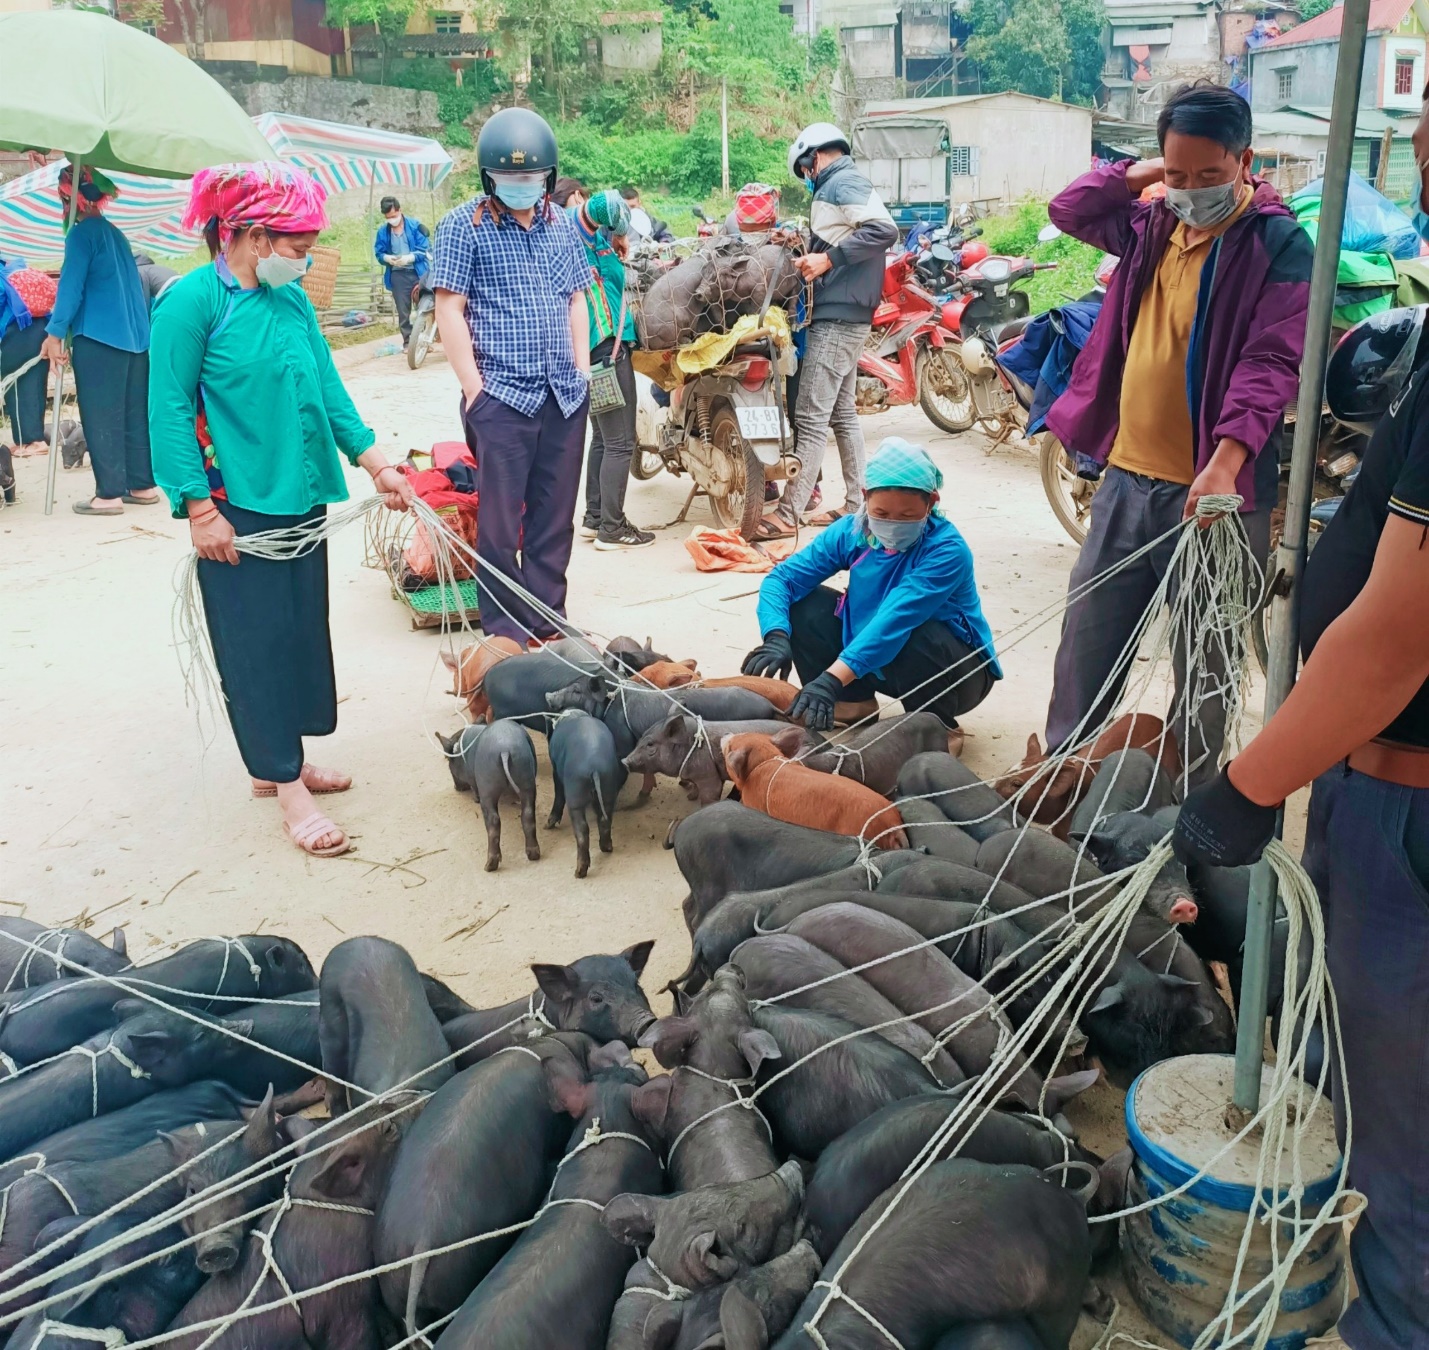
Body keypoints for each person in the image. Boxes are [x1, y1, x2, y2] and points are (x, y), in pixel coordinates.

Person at [1172, 301, 1429, 1350]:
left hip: (1402, 801)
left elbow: (1401, 633)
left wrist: (1247, 784)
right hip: (1373, 780)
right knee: (1341, 1067)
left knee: (1397, 1124)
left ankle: (1395, 1324)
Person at [1042, 81, 1311, 781]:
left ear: (1244, 160)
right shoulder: (1151, 224)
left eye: (1209, 176)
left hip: (1214, 498)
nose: (1192, 190)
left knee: (1206, 669)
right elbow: (1068, 209)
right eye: (1178, 174)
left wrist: (1224, 462)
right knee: (1085, 652)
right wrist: (1143, 174)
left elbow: (1271, 361)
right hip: (1126, 480)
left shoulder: (1277, 244)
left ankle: (1187, 814)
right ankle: (1060, 788)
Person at [150, 162, 414, 859]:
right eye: (298, 246)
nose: (306, 259)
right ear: (254, 237)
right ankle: (282, 784)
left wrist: (376, 462)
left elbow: (326, 386)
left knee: (298, 631)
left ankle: (285, 762)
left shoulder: (291, 302)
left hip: (298, 492)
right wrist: (199, 509)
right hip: (236, 505)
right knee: (254, 645)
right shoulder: (193, 304)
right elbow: (169, 409)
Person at [432, 107, 593, 647]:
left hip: (563, 397)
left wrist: (580, 370)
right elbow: (449, 309)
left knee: (554, 518)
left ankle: (549, 624)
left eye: (531, 178)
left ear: (547, 177)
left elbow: (576, 298)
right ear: (489, 178)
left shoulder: (561, 226)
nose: (522, 187)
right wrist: (476, 392)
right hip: (502, 398)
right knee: (500, 526)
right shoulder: (463, 226)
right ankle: (505, 633)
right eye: (510, 178)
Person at [743, 438, 999, 748]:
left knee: (917, 631)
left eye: (907, 517)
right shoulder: (852, 531)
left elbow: (895, 618)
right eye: (881, 513)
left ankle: (936, 727)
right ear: (864, 497)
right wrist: (776, 636)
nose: (892, 525)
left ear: (931, 503)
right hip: (875, 662)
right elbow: (782, 579)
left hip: (955, 674)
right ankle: (852, 703)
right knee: (803, 606)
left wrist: (830, 679)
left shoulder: (947, 550)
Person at [757, 123, 898, 540]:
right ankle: (857, 503)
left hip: (837, 317)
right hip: (850, 314)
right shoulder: (839, 186)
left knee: (811, 417)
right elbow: (843, 234)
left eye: (804, 171)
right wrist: (808, 245)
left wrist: (828, 260)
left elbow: (882, 230)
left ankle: (788, 513)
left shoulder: (841, 182)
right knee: (842, 415)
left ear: (813, 158)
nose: (806, 179)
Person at [40, 166, 158, 516]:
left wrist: (54, 332)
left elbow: (71, 287)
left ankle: (108, 495)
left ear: (67, 198)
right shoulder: (115, 234)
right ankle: (142, 485)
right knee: (134, 415)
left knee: (101, 415)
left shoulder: (81, 235)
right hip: (136, 340)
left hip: (101, 338)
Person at [570, 188, 651, 550]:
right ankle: (613, 530)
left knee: (604, 438)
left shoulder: (593, 238)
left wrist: (613, 239)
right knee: (621, 443)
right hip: (607, 350)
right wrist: (615, 231)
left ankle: (594, 518)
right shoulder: (576, 237)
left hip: (596, 353)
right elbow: (605, 204)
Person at [0, 255, 52, 460]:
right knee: (34, 383)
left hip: (17, 332)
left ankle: (36, 441)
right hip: (41, 330)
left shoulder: (4, 278)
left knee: (16, 384)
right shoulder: (20, 271)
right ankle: (25, 440)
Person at [373, 195, 431, 344]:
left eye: (394, 216)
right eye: (388, 217)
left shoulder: (415, 226)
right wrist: (387, 258)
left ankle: (424, 340)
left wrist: (409, 258)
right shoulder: (382, 232)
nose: (392, 219)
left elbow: (425, 250)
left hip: (418, 272)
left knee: (424, 307)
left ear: (400, 211)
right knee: (403, 311)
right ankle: (408, 341)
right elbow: (379, 253)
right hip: (397, 274)